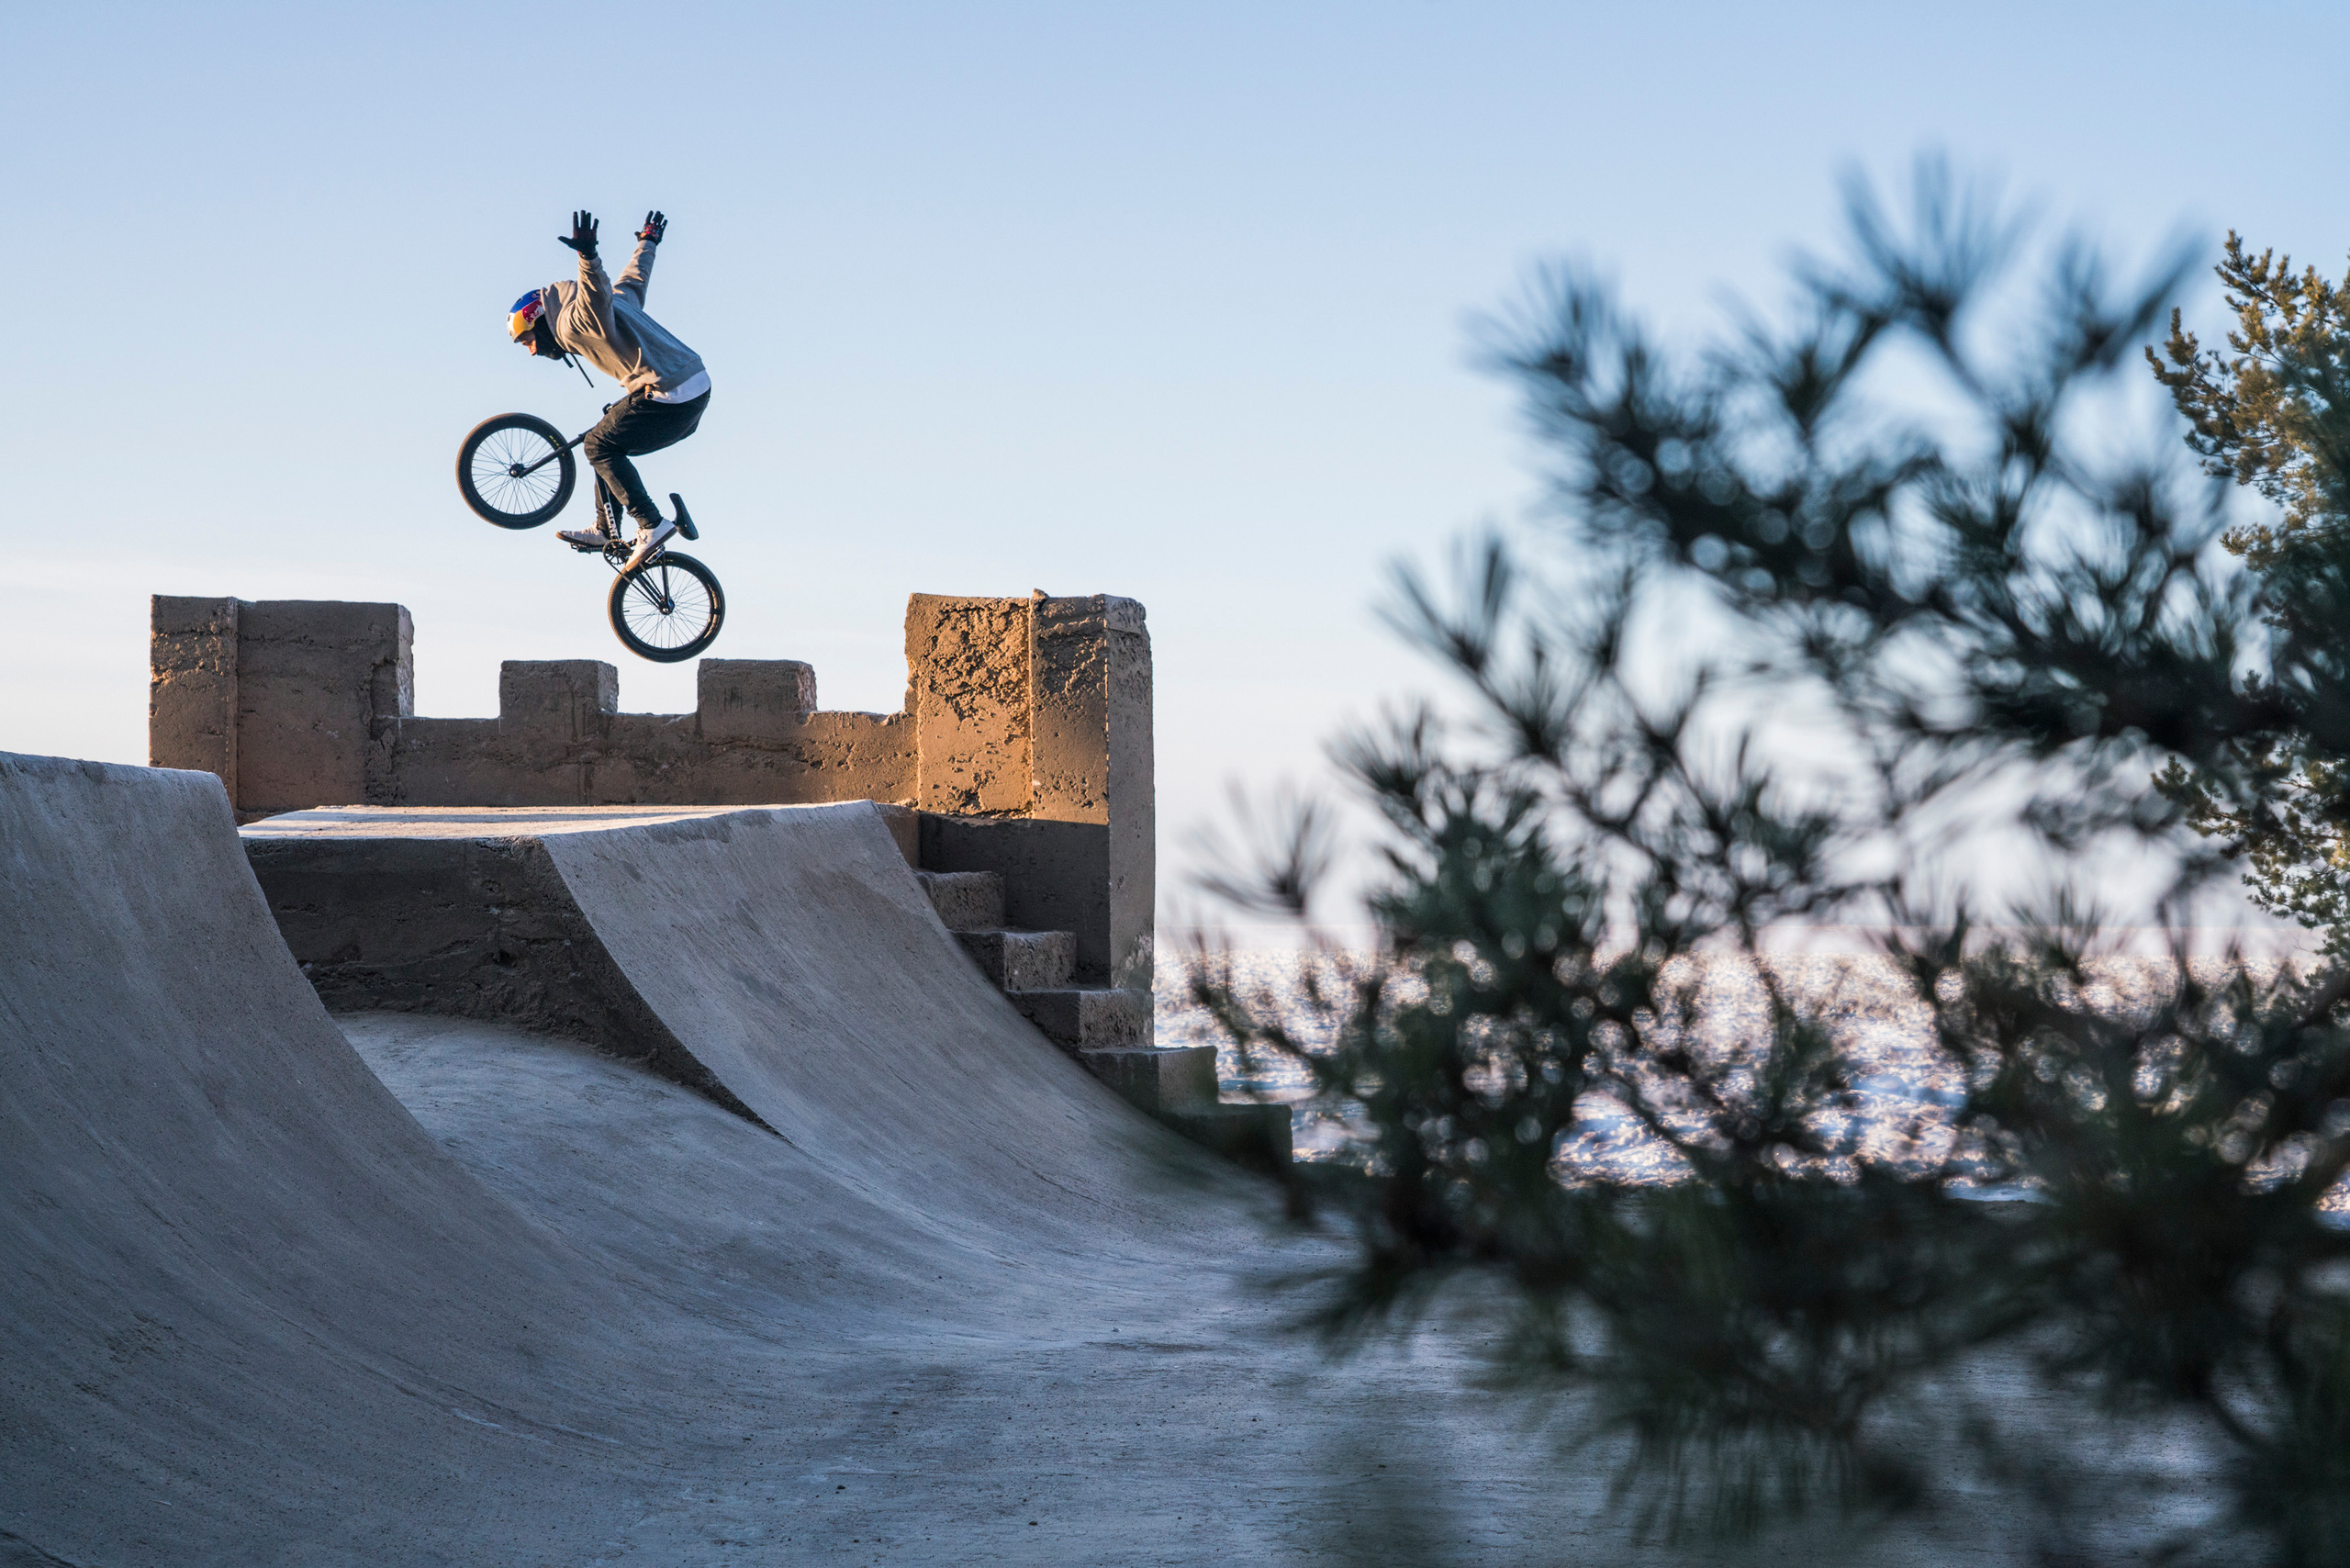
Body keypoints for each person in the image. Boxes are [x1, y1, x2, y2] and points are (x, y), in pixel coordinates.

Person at [507, 209, 709, 570]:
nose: (533, 351)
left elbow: (594, 289)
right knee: (605, 431)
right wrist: (648, 241)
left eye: (528, 341)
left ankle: (651, 523)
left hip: (671, 393)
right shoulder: (617, 302)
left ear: (538, 320)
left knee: (597, 445)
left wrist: (588, 255)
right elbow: (634, 277)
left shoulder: (574, 322)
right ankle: (605, 527)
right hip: (692, 388)